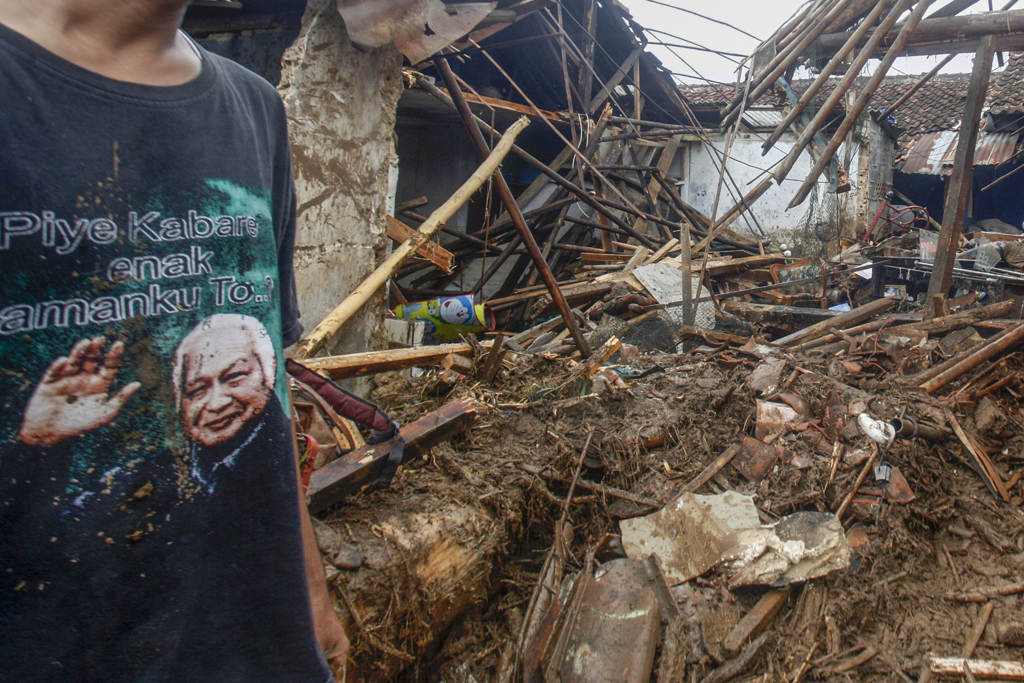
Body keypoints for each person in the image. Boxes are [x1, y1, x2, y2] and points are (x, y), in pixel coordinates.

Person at [0, 1, 348, 680]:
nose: (216, 399)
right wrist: (37, 440)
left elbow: (275, 401)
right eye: (198, 385)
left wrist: (308, 590)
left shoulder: (254, 111)